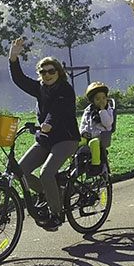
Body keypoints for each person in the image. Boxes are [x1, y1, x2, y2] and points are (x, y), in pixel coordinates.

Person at [8, 37, 80, 230]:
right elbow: (20, 80)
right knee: (19, 172)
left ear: (58, 72)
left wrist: (47, 124)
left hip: (66, 138)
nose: (47, 75)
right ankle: (49, 192)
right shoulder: (40, 88)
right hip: (46, 139)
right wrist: (13, 58)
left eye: (51, 71)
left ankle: (56, 214)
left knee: (46, 173)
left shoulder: (65, 89)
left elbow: (57, 110)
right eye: (43, 72)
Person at [80, 81, 115, 174]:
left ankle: (96, 165)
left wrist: (102, 111)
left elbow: (107, 123)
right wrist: (83, 132)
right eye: (98, 99)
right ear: (92, 100)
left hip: (101, 137)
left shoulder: (108, 110)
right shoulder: (88, 111)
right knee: (75, 142)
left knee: (94, 143)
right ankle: (76, 162)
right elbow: (83, 123)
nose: (101, 101)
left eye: (104, 98)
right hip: (88, 135)